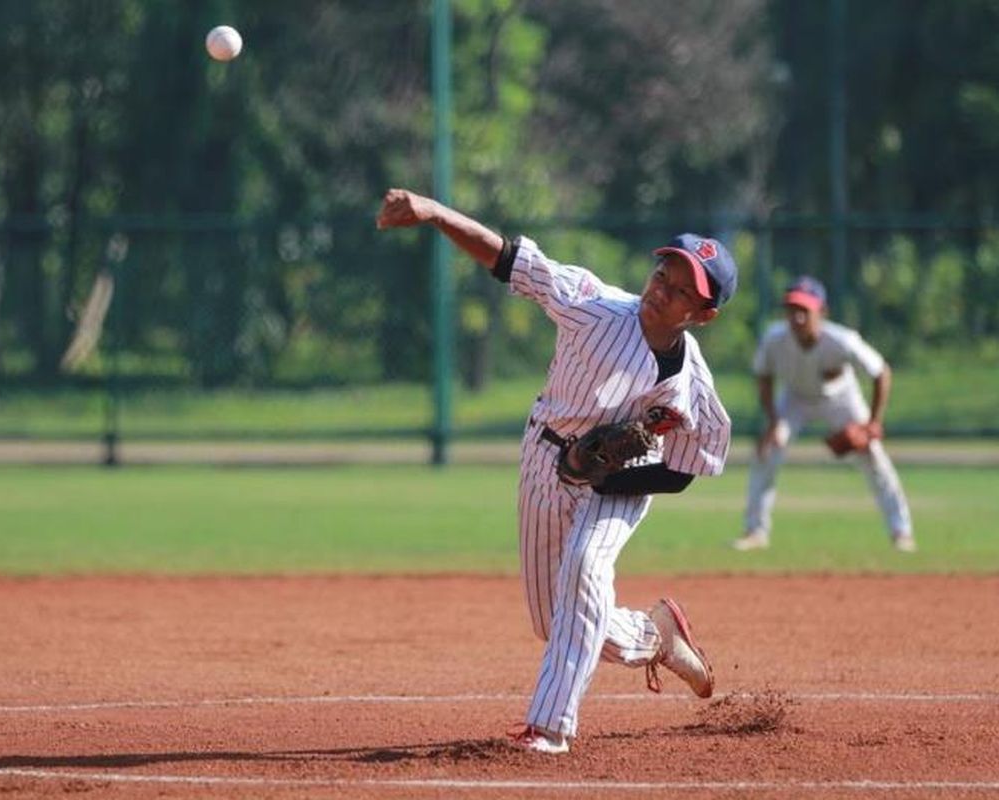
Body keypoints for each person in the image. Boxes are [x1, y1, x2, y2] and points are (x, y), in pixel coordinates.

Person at [376, 188, 737, 754]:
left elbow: (685, 469)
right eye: (662, 275)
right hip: (545, 456)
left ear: (703, 315)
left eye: (679, 291)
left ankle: (550, 727)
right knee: (556, 620)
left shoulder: (694, 387)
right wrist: (434, 212)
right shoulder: (593, 306)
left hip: (624, 480)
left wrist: (603, 478)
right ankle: (656, 637)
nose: (660, 290)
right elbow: (510, 260)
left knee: (586, 569)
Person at [733, 275, 915, 553]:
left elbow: (881, 372)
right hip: (793, 398)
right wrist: (772, 422)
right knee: (768, 452)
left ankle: (901, 531)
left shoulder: (842, 340)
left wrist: (873, 423)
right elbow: (763, 376)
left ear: (822, 312)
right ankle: (755, 532)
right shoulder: (774, 338)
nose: (797, 317)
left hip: (840, 398)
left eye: (804, 310)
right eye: (792, 310)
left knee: (874, 456)